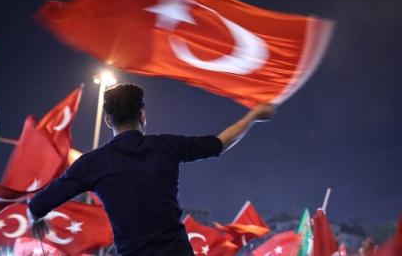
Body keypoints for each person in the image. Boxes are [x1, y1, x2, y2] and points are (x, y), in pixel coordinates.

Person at [28, 84, 275, 255]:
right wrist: (251, 116)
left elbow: (38, 205)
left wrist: (37, 217)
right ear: (142, 116)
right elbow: (220, 143)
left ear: (107, 120)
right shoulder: (166, 146)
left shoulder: (93, 163)